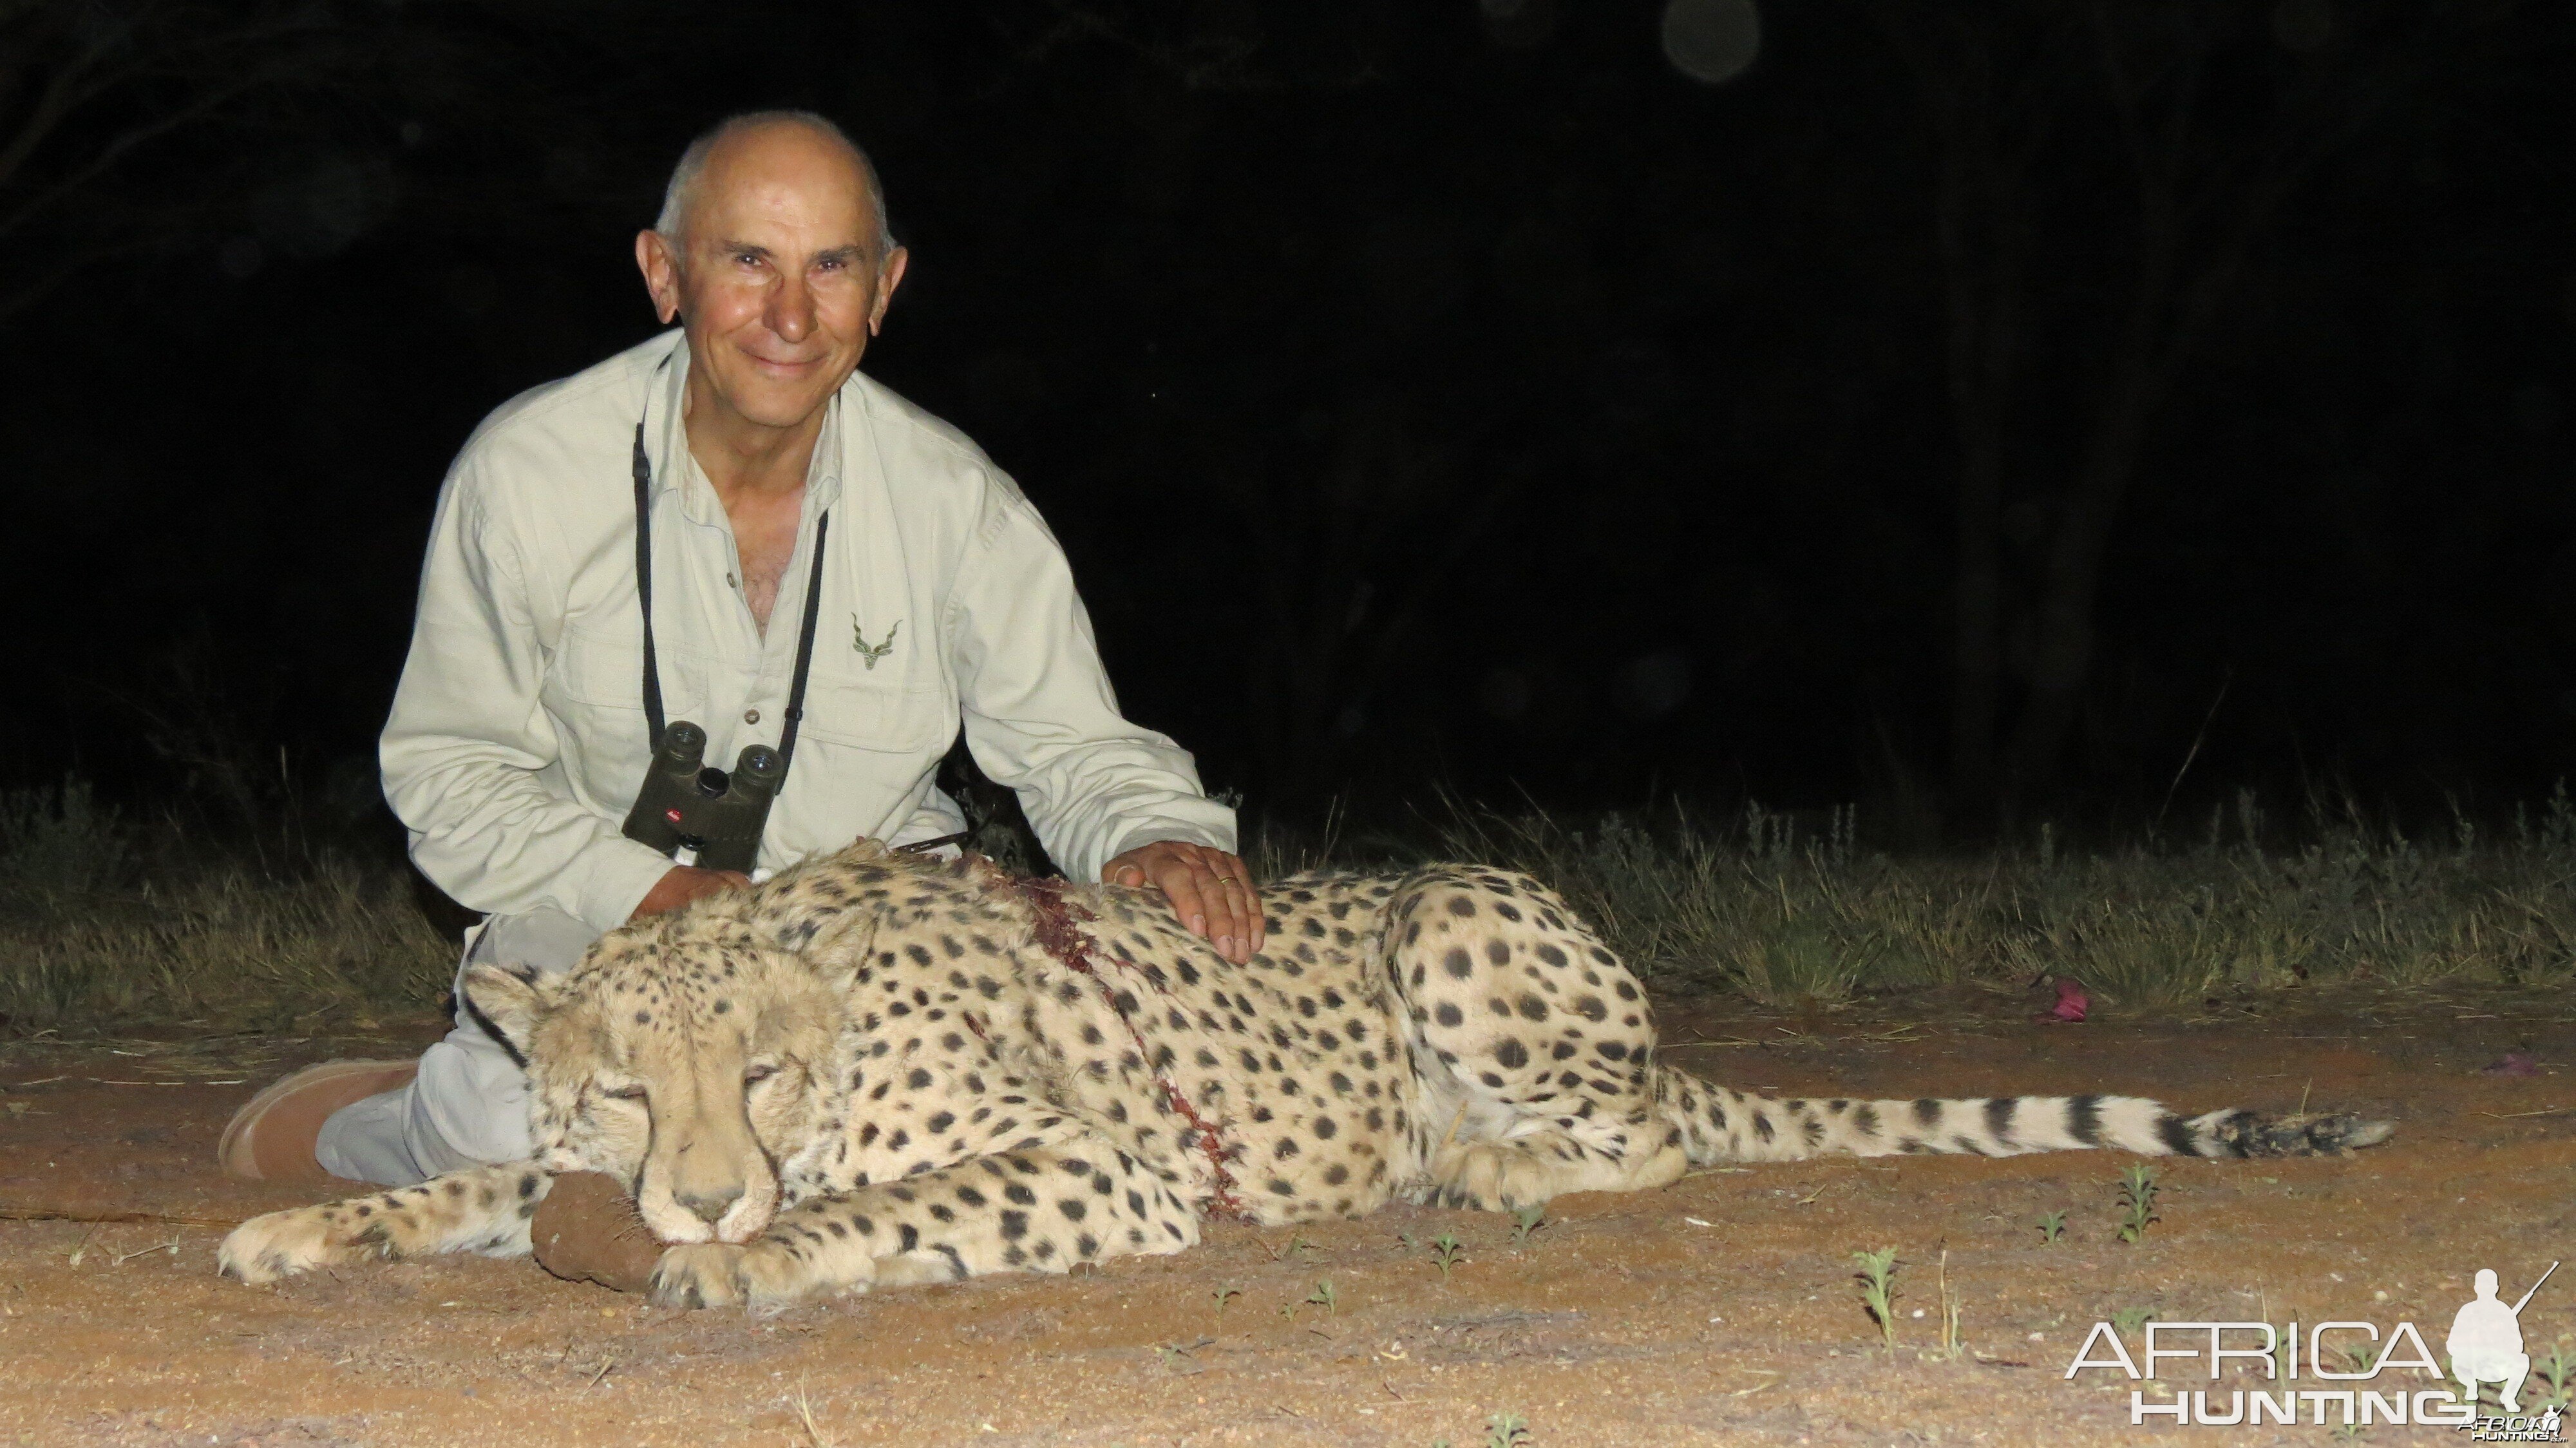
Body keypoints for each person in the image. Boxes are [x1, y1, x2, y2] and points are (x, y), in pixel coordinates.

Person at [218, 110, 1262, 1198]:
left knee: (1002, 1110)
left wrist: (1156, 835)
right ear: (665, 275)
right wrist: (656, 893)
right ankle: (396, 1119)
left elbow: (1077, 744)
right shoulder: (528, 472)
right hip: (601, 918)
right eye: (750, 260)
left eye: (833, 266)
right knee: (510, 1124)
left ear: (886, 288)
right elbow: (449, 777)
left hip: (864, 929)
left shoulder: (962, 503)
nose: (792, 315)